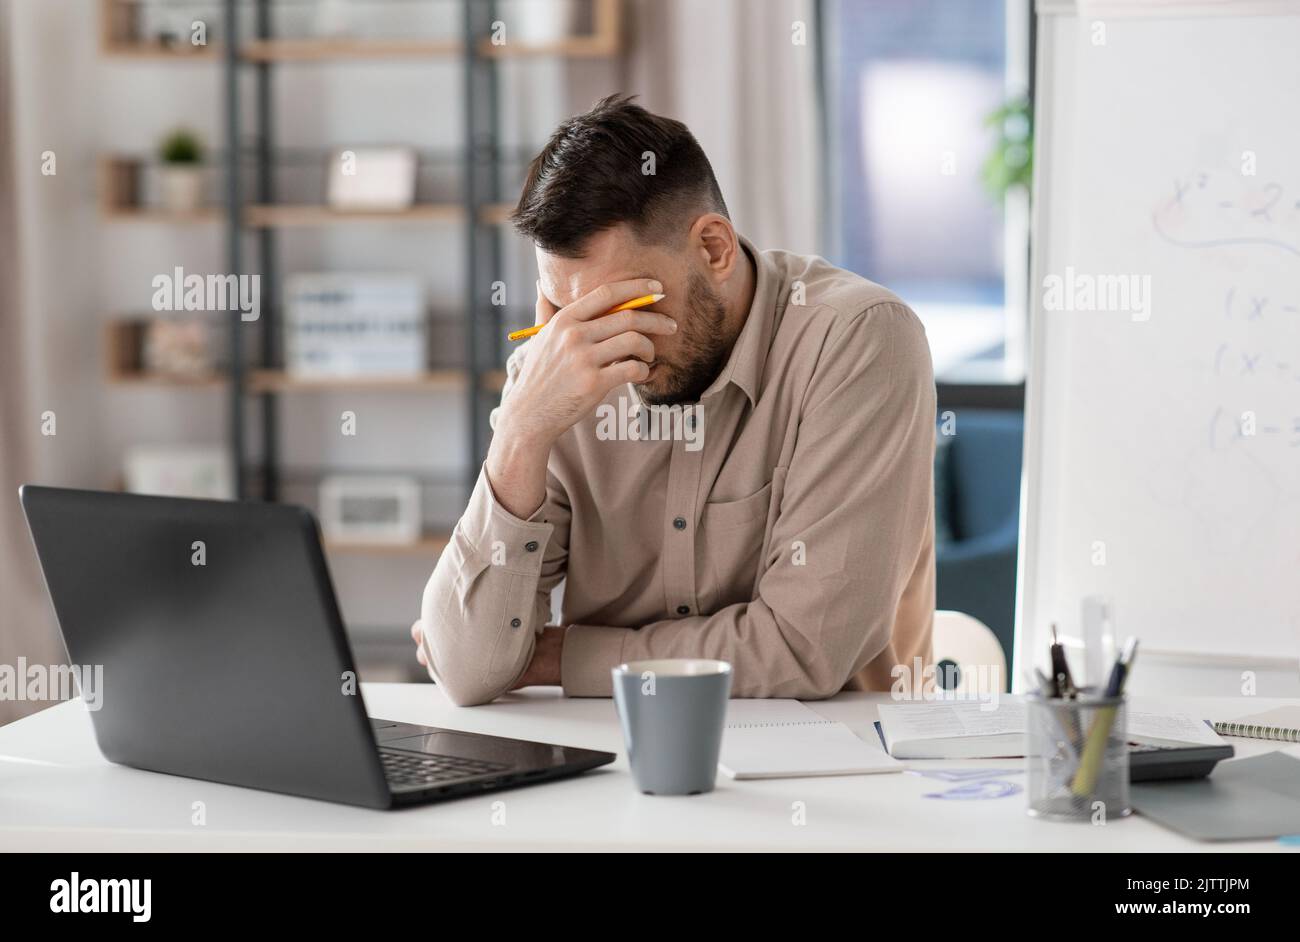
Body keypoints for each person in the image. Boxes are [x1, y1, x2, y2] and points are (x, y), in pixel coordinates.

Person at [412, 95, 935, 705]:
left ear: (713, 248)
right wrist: (522, 434)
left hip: (839, 765)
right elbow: (470, 669)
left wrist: (569, 656)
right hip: (613, 758)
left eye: (621, 308)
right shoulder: (561, 367)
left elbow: (804, 648)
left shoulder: (858, 339)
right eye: (561, 312)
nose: (589, 341)